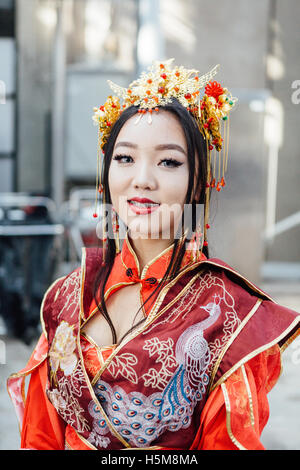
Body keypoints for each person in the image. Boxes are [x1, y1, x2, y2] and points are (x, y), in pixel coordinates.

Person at [7, 59, 300, 450]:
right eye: (125, 158)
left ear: (198, 184)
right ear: (107, 174)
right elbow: (39, 437)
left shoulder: (232, 315)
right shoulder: (66, 296)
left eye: (168, 161)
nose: (142, 179)